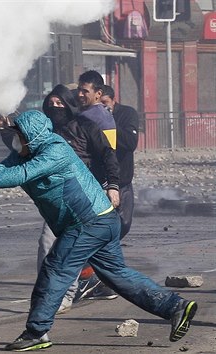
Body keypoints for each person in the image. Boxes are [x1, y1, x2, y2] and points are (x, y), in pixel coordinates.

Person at [0, 110, 197, 352]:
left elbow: (22, 174)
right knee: (118, 276)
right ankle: (176, 307)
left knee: (56, 269)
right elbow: (1, 169)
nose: (15, 140)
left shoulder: (54, 149)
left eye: (18, 135)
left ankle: (36, 332)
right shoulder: (26, 152)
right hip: (98, 221)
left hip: (88, 223)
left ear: (31, 137)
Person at [40, 85, 121, 311]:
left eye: (60, 103)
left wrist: (113, 186)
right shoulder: (45, 131)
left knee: (78, 248)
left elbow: (108, 155)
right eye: (51, 103)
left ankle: (71, 292)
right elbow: (23, 151)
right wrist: (7, 131)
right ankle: (51, 294)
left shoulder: (86, 126)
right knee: (47, 243)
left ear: (69, 104)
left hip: (86, 197)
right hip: (58, 198)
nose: (55, 107)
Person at [101, 85, 139, 239]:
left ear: (113, 101)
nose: (102, 108)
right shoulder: (89, 116)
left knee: (124, 223)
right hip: (101, 179)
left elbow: (131, 142)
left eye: (105, 103)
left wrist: (108, 122)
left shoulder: (127, 114)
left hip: (123, 178)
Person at [76, 70, 117, 150]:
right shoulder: (106, 113)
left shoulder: (88, 116)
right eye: (79, 90)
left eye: (85, 91)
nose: (80, 94)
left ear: (98, 93)